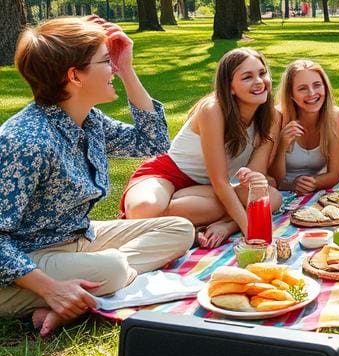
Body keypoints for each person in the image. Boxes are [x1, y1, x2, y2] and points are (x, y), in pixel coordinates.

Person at [0, 17, 194, 337]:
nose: (113, 70)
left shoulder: (88, 120)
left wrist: (128, 68)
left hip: (78, 239)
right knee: (114, 269)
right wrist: (50, 289)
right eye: (106, 61)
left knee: (179, 228)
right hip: (24, 264)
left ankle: (89, 287)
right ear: (75, 76)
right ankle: (85, 289)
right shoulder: (26, 141)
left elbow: (153, 143)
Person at [121, 48, 281, 249]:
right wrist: (252, 232)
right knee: (143, 209)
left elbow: (256, 176)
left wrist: (229, 226)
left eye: (262, 73)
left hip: (206, 190)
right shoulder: (213, 109)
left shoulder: (273, 118)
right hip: (168, 175)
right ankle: (187, 223)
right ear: (230, 86)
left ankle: (198, 226)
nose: (259, 81)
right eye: (247, 77)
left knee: (271, 196)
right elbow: (220, 180)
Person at [269, 59, 339, 195]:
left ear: (325, 87)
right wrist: (282, 145)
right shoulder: (277, 117)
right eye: (302, 88)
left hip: (317, 188)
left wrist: (311, 183)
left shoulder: (336, 117)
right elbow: (273, 177)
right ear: (291, 95)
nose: (311, 93)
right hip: (280, 191)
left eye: (317, 85)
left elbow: (335, 175)